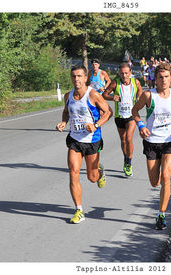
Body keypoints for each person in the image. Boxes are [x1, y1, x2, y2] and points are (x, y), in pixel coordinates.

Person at [131, 63, 171, 230]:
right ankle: (161, 208)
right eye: (160, 77)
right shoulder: (149, 95)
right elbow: (135, 111)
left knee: (166, 176)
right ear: (155, 79)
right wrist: (141, 126)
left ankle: (161, 214)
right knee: (154, 182)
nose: (163, 80)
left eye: (166, 77)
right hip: (152, 141)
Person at [56, 65, 113, 224]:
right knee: (73, 172)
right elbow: (67, 112)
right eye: (74, 76)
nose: (77, 79)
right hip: (74, 139)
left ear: (86, 78)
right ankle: (79, 210)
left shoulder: (93, 95)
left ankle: (99, 172)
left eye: (80, 76)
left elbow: (108, 112)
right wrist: (63, 122)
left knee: (92, 177)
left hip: (92, 140)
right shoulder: (68, 96)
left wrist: (95, 125)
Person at [102, 62, 143, 177]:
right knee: (123, 140)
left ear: (130, 73)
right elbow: (104, 94)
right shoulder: (115, 83)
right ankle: (126, 158)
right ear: (119, 73)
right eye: (122, 73)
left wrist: (139, 96)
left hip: (131, 115)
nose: (124, 75)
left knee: (129, 138)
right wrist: (112, 97)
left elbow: (140, 90)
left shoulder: (136, 82)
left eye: (126, 73)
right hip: (119, 116)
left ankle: (129, 163)